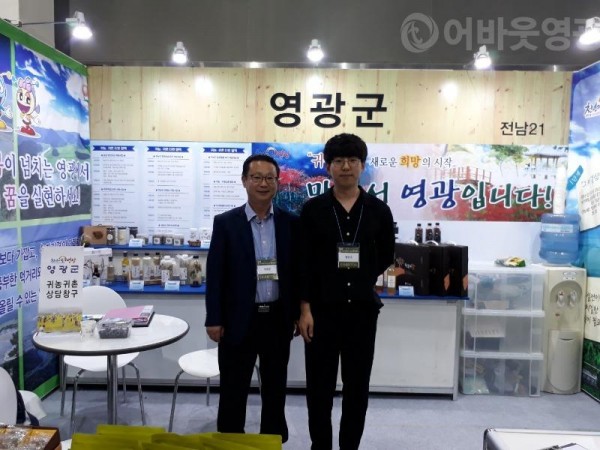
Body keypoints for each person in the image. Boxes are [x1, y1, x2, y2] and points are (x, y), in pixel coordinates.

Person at [297, 133, 395, 450]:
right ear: (328, 166)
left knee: (357, 388)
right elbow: (303, 262)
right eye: (338, 161)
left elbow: (386, 255)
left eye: (353, 160)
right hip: (321, 313)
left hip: (362, 313)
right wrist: (304, 309)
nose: (346, 167)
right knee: (319, 388)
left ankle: (349, 446)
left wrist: (363, 275)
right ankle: (321, 446)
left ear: (362, 166)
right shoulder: (313, 210)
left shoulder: (379, 210)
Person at [205, 154, 297, 443]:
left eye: (269, 178)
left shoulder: (290, 223)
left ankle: (271, 441)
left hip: (277, 318)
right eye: (256, 177)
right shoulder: (226, 223)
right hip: (237, 319)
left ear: (277, 183)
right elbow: (215, 273)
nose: (263, 183)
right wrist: (214, 318)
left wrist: (297, 312)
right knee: (233, 387)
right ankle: (231, 442)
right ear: (244, 181)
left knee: (275, 387)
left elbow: (296, 271)